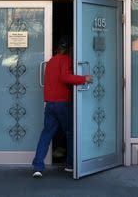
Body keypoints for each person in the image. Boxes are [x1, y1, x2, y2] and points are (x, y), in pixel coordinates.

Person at [32, 36, 93, 178]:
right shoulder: (66, 60)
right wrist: (84, 79)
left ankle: (38, 167)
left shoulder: (50, 61)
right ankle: (71, 165)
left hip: (50, 103)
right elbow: (65, 77)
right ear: (69, 49)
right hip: (62, 103)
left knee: (46, 133)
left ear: (58, 48)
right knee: (70, 132)